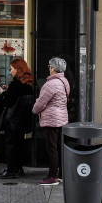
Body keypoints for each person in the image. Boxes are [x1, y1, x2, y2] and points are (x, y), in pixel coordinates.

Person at [32, 57, 70, 185]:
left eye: (49, 66)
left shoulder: (51, 84)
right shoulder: (64, 81)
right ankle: (61, 174)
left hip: (52, 119)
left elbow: (41, 102)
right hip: (62, 118)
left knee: (52, 148)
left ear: (53, 68)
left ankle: (52, 176)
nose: (48, 68)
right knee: (59, 147)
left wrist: (34, 110)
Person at [0, 58, 35, 179]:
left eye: (11, 69)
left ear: (18, 70)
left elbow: (8, 102)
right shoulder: (28, 85)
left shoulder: (15, 85)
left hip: (13, 120)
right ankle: (18, 167)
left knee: (10, 144)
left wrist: (3, 93)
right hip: (24, 121)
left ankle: (10, 170)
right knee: (19, 144)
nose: (10, 71)